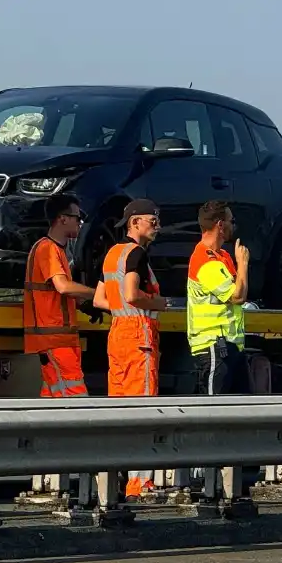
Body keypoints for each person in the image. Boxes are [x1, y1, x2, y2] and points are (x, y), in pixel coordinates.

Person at [94, 199, 168, 500]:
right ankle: (140, 484)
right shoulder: (136, 254)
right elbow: (132, 294)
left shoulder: (113, 254)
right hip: (139, 335)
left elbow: (100, 300)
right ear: (135, 222)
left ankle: (114, 478)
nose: (157, 225)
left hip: (117, 335)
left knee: (120, 410)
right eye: (153, 220)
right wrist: (158, 303)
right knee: (143, 410)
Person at [23, 194, 101, 397]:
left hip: (58, 339)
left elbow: (57, 294)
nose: (80, 223)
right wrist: (99, 293)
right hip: (54, 340)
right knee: (75, 397)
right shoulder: (47, 249)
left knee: (54, 398)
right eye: (77, 218)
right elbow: (63, 287)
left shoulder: (55, 250)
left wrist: (83, 304)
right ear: (62, 218)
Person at [186, 200, 251, 395]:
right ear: (220, 225)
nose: (234, 225)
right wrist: (243, 264)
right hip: (214, 346)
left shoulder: (222, 256)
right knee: (215, 410)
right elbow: (238, 296)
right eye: (232, 221)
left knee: (242, 409)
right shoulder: (206, 261)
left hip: (230, 345)